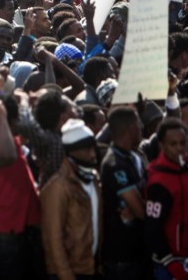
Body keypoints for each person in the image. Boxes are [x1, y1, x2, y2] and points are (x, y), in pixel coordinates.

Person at [41, 118, 102, 280]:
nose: (92, 155)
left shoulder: (93, 178)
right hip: (69, 272)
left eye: (93, 149)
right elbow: (54, 239)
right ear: (72, 152)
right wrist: (65, 274)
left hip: (90, 267)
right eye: (86, 150)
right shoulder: (58, 187)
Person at [145, 118, 188, 280]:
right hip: (170, 264)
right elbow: (151, 228)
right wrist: (170, 264)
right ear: (162, 145)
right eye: (173, 144)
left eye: (183, 143)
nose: (179, 148)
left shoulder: (186, 166)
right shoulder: (159, 182)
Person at [100, 106, 148, 279]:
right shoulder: (114, 164)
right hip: (122, 257)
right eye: (138, 124)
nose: (141, 128)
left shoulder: (134, 157)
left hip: (139, 250)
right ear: (131, 128)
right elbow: (141, 211)